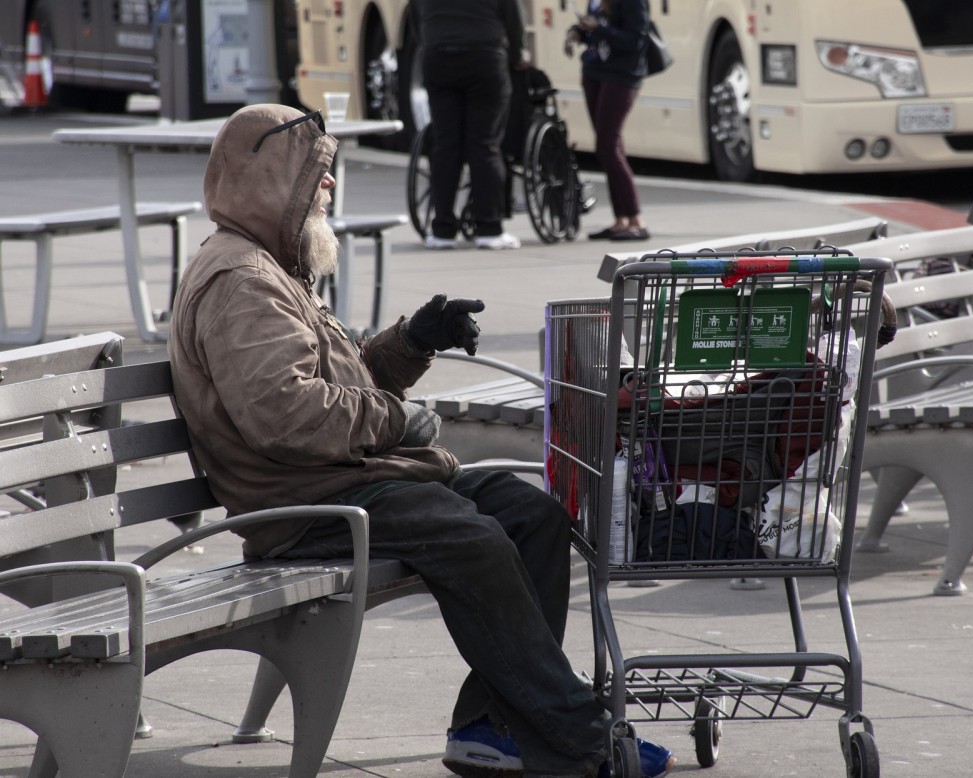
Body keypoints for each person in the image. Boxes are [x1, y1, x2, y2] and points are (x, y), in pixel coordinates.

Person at [168, 104, 674, 778]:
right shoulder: (242, 282)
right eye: (317, 177)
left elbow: (333, 388)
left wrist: (412, 344)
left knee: (530, 514)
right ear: (271, 182)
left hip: (342, 476)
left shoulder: (270, 265)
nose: (328, 189)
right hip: (301, 502)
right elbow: (285, 416)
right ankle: (580, 737)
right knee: (472, 537)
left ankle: (490, 726)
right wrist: (396, 421)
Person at [412, 0, 525, 250]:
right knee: (484, 144)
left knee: (445, 143)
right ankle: (489, 229)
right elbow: (513, 20)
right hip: (484, 56)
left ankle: (442, 230)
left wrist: (434, 43)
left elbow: (415, 21)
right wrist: (517, 55)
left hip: (437, 56)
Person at [565, 0, 651, 242]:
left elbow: (635, 39)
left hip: (622, 75)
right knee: (610, 148)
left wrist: (598, 29)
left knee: (607, 147)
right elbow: (595, 27)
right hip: (595, 72)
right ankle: (621, 219)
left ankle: (636, 219)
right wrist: (576, 32)